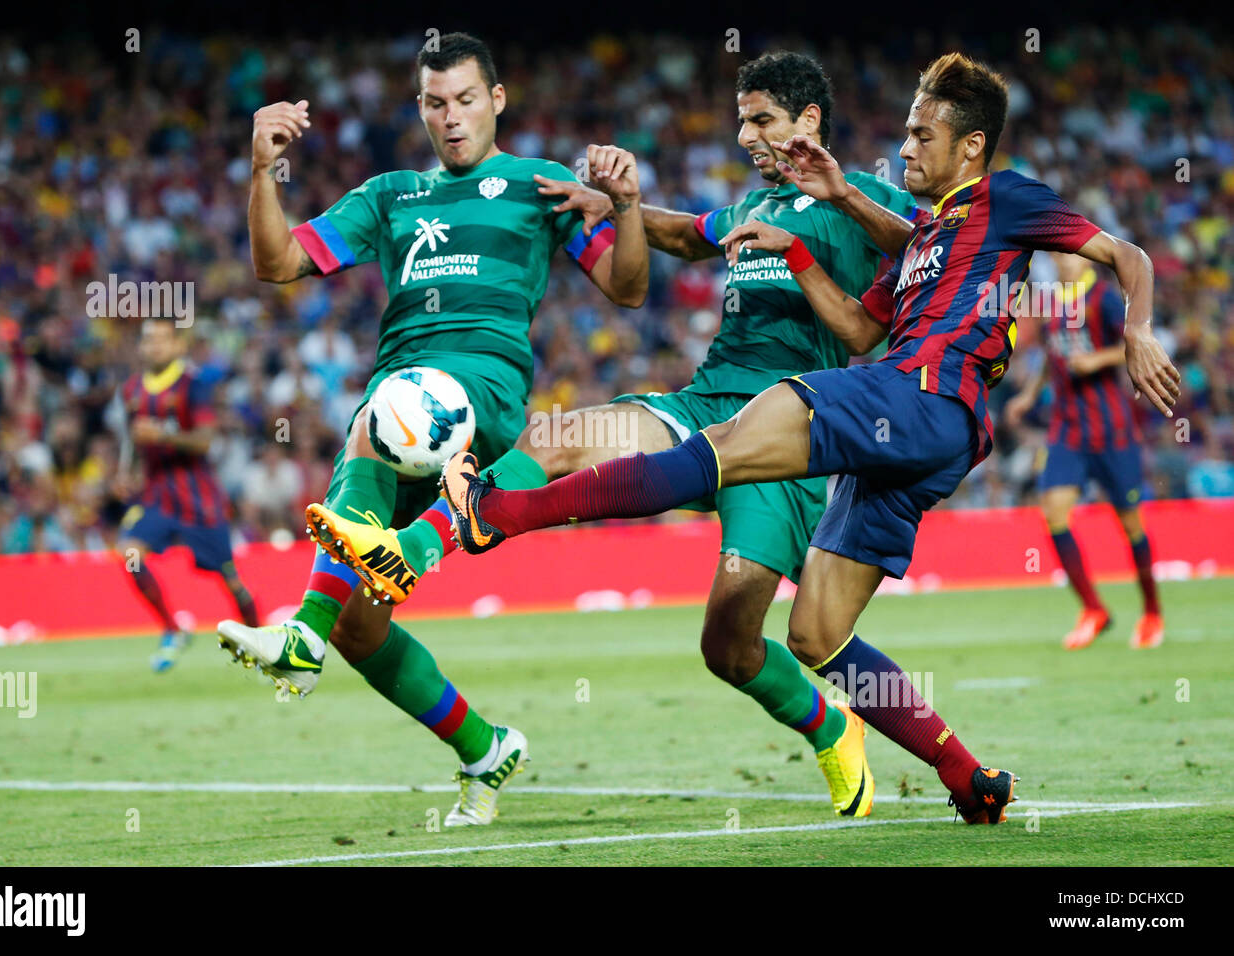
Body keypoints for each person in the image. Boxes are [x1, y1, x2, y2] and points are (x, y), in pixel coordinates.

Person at [438, 53, 1181, 823]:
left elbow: (1125, 255)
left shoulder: (1006, 198)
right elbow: (861, 327)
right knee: (817, 634)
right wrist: (795, 253)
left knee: (720, 446)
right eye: (905, 132)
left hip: (917, 396)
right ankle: (970, 778)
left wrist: (1139, 330)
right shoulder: (926, 239)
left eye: (922, 135)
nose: (905, 147)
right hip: (925, 433)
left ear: (969, 147)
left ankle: (500, 515)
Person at [313, 51, 925, 818]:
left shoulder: (859, 195)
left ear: (809, 123)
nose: (745, 136)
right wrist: (607, 206)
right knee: (559, 436)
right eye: (740, 119)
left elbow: (925, 247)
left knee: (729, 648)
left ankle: (831, 724)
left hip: (787, 433)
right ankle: (418, 548)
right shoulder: (749, 210)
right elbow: (687, 236)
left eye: (761, 120)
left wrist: (837, 200)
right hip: (704, 407)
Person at [216, 32, 649, 827]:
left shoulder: (539, 185)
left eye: (466, 100)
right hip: (398, 395)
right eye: (435, 103)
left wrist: (624, 206)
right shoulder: (390, 196)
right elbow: (278, 263)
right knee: (361, 623)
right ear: (420, 108)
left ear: (498, 99)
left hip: (480, 387)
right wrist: (260, 168)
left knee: (383, 413)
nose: (451, 119)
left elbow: (627, 287)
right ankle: (485, 747)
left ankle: (298, 637)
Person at [1004, 251, 1162, 649]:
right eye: (1056, 252)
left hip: (1112, 430)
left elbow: (1138, 345)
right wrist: (1029, 394)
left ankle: (1152, 613)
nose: (1059, 257)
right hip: (1068, 428)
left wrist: (1097, 359)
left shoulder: (1106, 300)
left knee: (1130, 524)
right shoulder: (1053, 301)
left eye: (1067, 252)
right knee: (1053, 512)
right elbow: (1052, 356)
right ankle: (1093, 608)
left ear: (1087, 260)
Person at [113, 316, 258, 672]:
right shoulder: (131, 390)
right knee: (130, 553)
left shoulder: (193, 386)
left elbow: (205, 440)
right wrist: (124, 471)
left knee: (230, 579)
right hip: (157, 496)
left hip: (198, 497)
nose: (154, 346)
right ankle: (172, 629)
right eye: (149, 340)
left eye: (162, 340)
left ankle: (260, 642)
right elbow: (133, 438)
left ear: (178, 346)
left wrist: (162, 436)